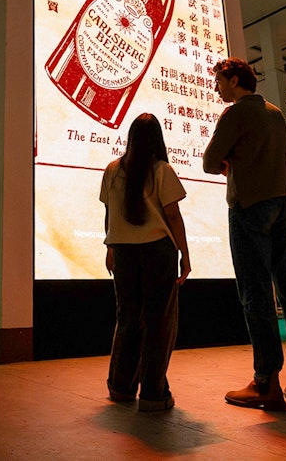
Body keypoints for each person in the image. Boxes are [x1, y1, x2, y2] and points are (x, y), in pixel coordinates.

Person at [202, 58, 286, 411]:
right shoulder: (275, 113)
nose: (216, 88)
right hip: (283, 207)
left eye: (220, 81)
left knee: (256, 296)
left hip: (249, 207)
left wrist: (228, 164)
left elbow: (210, 161)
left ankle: (265, 383)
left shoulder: (235, 113)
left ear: (236, 79)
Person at [100, 113, 191, 412]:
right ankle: (154, 395)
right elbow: (173, 216)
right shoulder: (162, 170)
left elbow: (109, 215)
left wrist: (111, 246)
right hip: (158, 252)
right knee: (158, 323)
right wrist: (185, 255)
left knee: (127, 319)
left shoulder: (112, 170)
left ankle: (121, 388)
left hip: (124, 253)